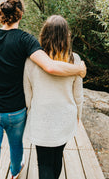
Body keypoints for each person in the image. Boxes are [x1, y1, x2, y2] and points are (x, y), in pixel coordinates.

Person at [0, 0, 86, 179]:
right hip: (21, 112)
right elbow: (52, 68)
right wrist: (79, 70)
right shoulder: (27, 41)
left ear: (0, 14)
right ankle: (16, 169)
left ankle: (14, 170)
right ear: (21, 14)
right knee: (25, 148)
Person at [23, 15, 84, 179]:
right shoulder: (75, 59)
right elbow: (78, 95)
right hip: (65, 116)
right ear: (66, 36)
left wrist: (30, 112)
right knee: (57, 158)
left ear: (44, 34)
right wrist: (78, 115)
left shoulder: (31, 60)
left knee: (44, 163)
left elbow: (27, 93)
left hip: (41, 118)